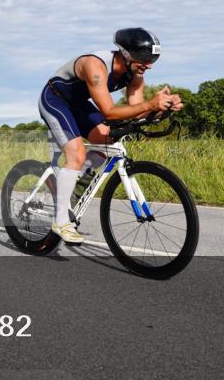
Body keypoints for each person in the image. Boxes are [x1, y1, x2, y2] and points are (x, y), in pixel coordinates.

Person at [39, 28, 184, 244]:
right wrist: (150, 104)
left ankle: (73, 183)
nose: (149, 64)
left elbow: (137, 111)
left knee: (109, 141)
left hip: (79, 105)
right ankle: (60, 221)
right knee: (76, 154)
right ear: (125, 53)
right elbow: (109, 112)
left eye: (153, 59)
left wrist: (161, 108)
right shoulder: (95, 66)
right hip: (55, 100)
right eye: (144, 58)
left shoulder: (135, 75)